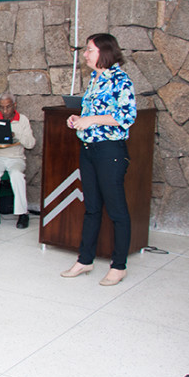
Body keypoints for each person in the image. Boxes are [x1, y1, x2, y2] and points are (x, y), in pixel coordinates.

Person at [62, 33, 137, 287]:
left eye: (90, 50)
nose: (85, 54)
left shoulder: (120, 80)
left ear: (104, 52)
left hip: (109, 151)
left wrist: (91, 120)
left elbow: (126, 117)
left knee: (116, 210)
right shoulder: (94, 79)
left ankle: (119, 266)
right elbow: (91, 113)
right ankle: (85, 260)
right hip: (89, 149)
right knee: (92, 207)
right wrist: (77, 120)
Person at [0, 93, 36, 231]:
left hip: (16, 158)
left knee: (17, 175)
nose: (5, 111)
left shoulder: (22, 120)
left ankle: (22, 213)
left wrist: (15, 135)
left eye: (8, 107)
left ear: (14, 106)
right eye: (2, 107)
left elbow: (31, 144)